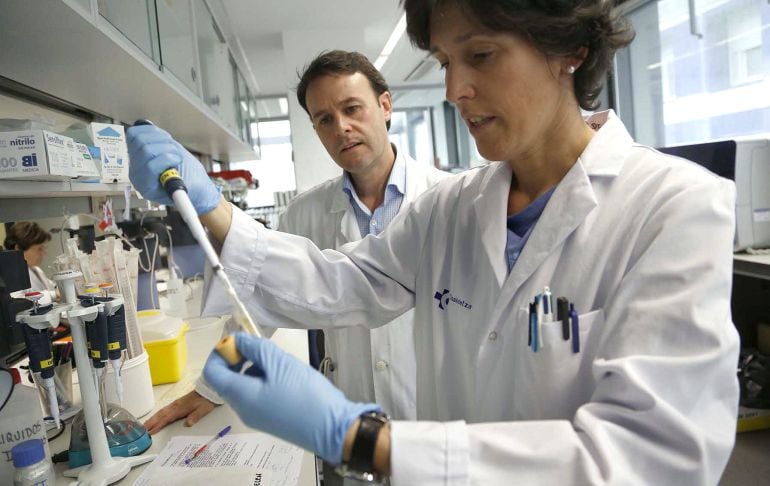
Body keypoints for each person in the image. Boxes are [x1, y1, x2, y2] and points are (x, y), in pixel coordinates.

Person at [127, 0, 741, 484]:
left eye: (481, 55)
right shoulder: (452, 208)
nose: (455, 91)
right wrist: (212, 212)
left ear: (569, 49)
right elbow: (347, 280)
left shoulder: (675, 206)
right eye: (447, 62)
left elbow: (656, 459)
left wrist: (361, 439)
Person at [139, 50, 450, 437]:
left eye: (353, 108)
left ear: (385, 105)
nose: (342, 128)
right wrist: (213, 387)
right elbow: (257, 311)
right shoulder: (304, 214)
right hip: (350, 415)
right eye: (324, 119)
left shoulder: (446, 199)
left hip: (433, 417)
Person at [3, 222, 56, 305]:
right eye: (39, 249)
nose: (43, 253)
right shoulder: (11, 274)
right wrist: (53, 295)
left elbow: (52, 287)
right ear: (18, 249)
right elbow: (16, 301)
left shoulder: (35, 270)